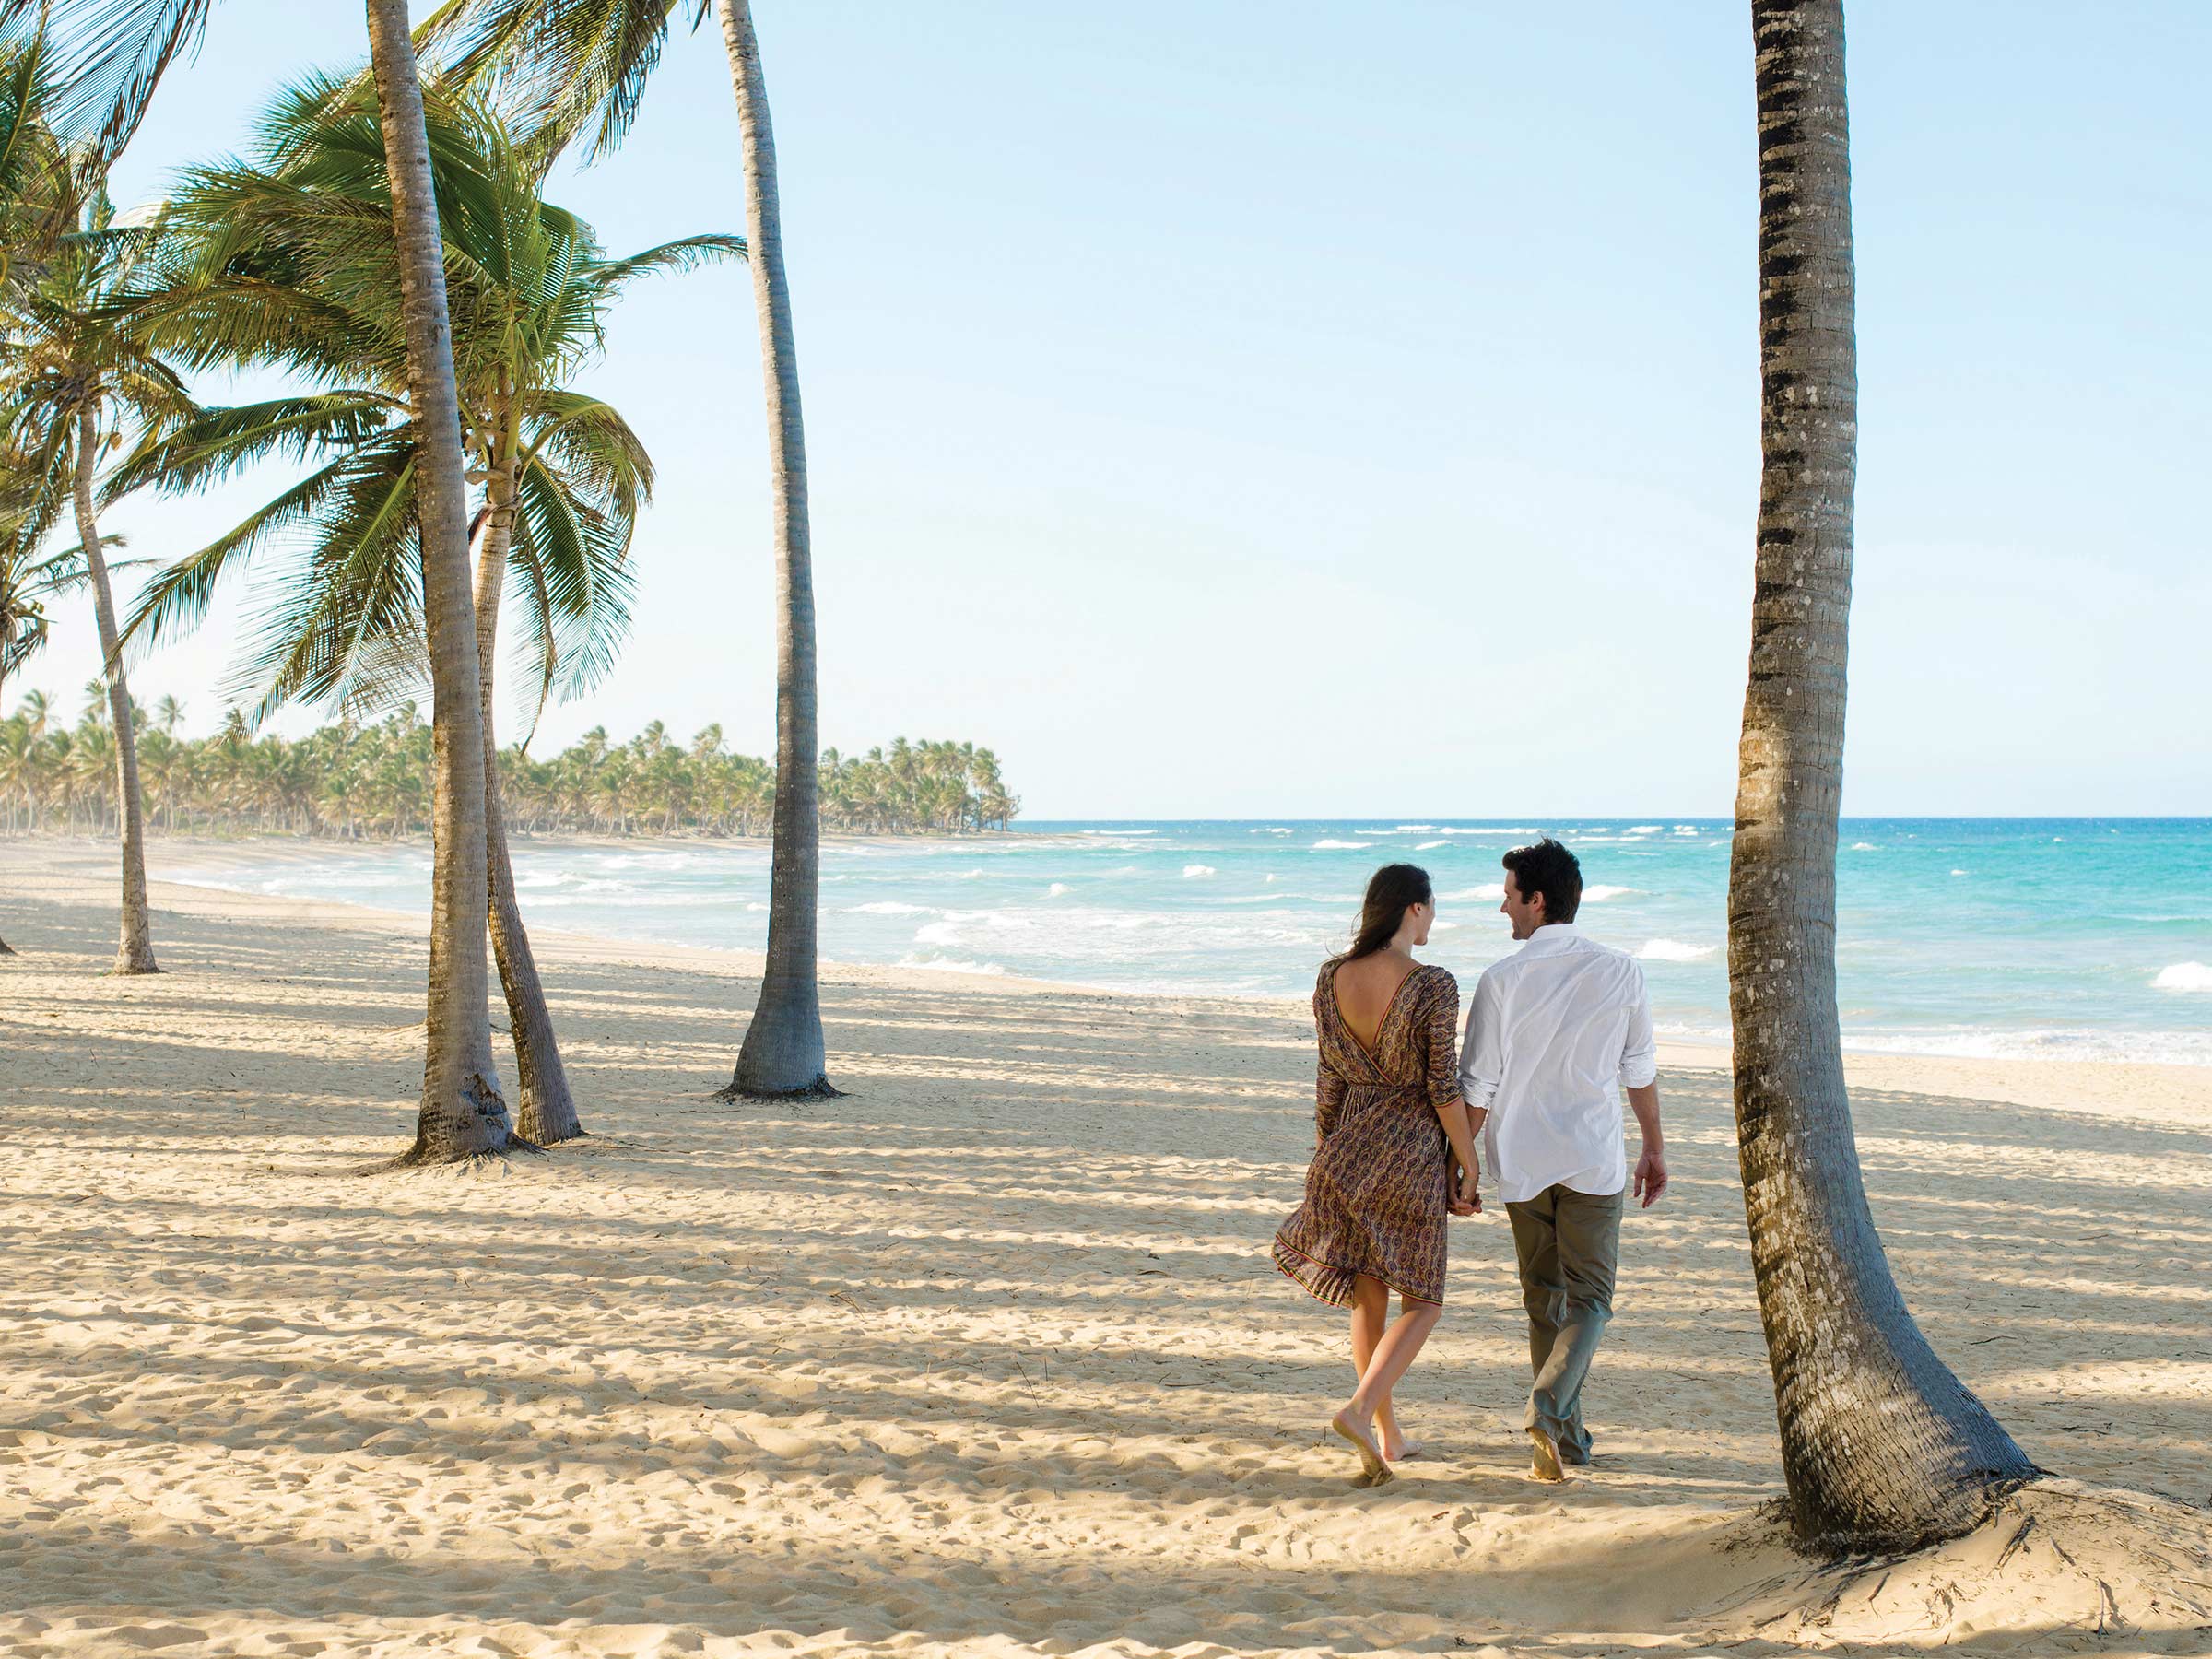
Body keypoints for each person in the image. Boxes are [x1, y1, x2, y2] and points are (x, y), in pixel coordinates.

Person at [1459, 837, 1667, 1483]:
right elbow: (1638, 1071)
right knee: (1592, 1300)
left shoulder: (1500, 979)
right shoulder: (1622, 970)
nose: (1503, 910)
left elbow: (1478, 1087)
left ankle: (1561, 1434)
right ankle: (1552, 1417)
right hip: (1590, 1157)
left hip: (1520, 1159)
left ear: (1538, 900)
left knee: (1544, 1298)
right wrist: (1654, 1147)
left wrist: (1463, 1167)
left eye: (1508, 896)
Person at [1272, 863, 1482, 1485]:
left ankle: (1389, 1435)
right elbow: (1443, 1088)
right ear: (1413, 909)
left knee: (1370, 1293)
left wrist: (1326, 1151)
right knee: (1424, 1300)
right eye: (1432, 907)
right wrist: (1468, 1163)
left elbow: (1328, 1078)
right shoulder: (1433, 985)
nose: (1434, 918)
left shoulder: (1330, 977)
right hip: (1409, 1150)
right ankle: (1362, 1410)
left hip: (1345, 1148)